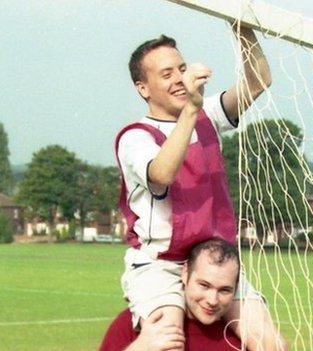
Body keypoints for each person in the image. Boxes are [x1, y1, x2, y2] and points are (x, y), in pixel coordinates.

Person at [114, 24, 285, 351]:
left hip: (212, 259)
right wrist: (192, 107)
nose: (179, 78)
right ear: (143, 88)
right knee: (167, 342)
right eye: (166, 74)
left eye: (181, 68)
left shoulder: (206, 114)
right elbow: (162, 173)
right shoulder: (135, 137)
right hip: (161, 263)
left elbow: (259, 80)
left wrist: (240, 26)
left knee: (271, 344)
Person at [100, 238, 242, 351]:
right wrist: (140, 348)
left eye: (225, 290)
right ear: (185, 273)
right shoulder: (141, 324)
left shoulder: (243, 336)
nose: (212, 300)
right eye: (204, 285)